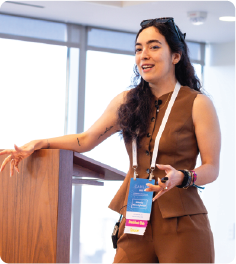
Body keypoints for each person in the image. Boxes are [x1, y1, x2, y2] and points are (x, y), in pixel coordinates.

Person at [0, 17, 220, 264]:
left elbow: (211, 168)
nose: (144, 55)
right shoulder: (127, 101)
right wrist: (41, 143)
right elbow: (86, 139)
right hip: (135, 219)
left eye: (154, 47)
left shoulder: (198, 103)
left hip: (183, 221)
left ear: (176, 56)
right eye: (139, 49)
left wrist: (184, 176)